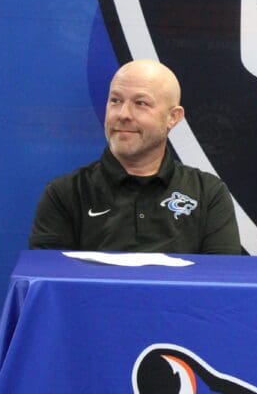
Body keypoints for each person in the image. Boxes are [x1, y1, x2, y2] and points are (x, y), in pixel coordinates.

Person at [28, 59, 241, 254]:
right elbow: (49, 280)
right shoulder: (65, 194)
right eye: (115, 100)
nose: (123, 114)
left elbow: (221, 279)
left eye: (141, 103)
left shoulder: (208, 194)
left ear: (173, 117)